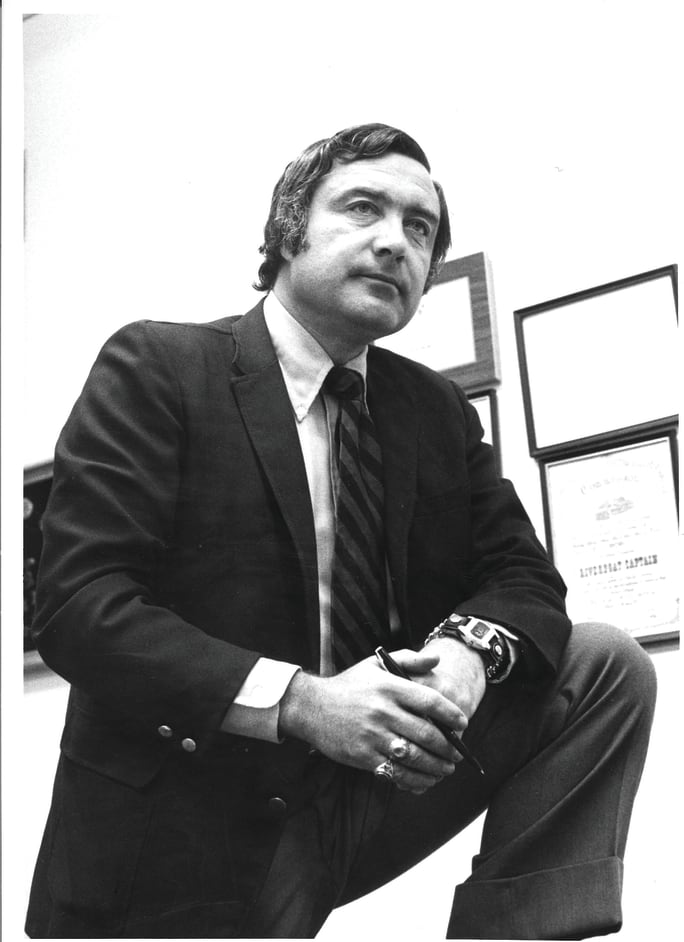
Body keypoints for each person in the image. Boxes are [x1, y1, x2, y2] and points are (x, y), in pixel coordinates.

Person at [26, 123, 656, 939]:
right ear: (289, 229)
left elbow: (525, 578)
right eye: (363, 208)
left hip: (362, 791)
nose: (395, 242)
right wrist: (301, 703)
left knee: (601, 664)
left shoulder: (433, 410)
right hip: (178, 830)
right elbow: (78, 606)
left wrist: (469, 652)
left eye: (420, 228)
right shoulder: (159, 365)